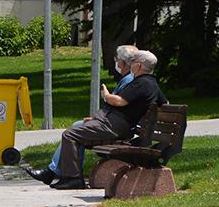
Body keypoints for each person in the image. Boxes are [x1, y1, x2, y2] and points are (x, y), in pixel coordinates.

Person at [49, 50, 167, 190]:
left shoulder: (141, 83)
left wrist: (105, 94)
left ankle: (73, 178)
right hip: (117, 124)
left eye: (133, 62)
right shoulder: (152, 83)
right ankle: (66, 176)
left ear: (139, 66)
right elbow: (165, 103)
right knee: (78, 129)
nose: (131, 65)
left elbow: (119, 101)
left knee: (70, 134)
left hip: (114, 126)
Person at [27, 44, 138, 185]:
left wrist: (106, 98)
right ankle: (56, 172)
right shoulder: (127, 79)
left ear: (122, 62)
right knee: (77, 126)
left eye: (116, 59)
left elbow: (118, 107)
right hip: (114, 124)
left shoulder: (128, 81)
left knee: (72, 134)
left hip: (117, 128)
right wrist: (95, 119)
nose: (115, 62)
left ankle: (68, 176)